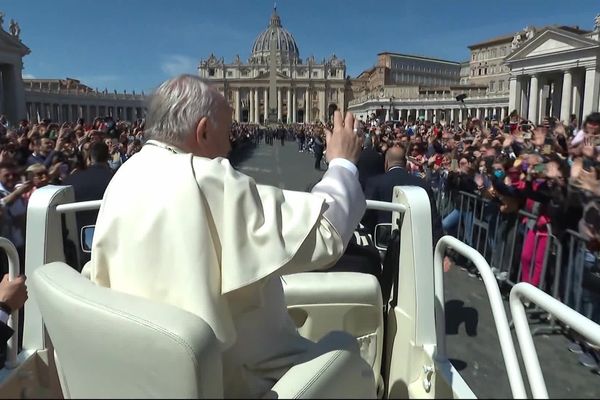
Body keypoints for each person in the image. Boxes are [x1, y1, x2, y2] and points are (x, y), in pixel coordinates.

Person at [88, 75, 373, 398]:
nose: (230, 146)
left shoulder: (125, 175)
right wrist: (342, 164)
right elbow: (327, 233)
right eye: (226, 133)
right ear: (204, 130)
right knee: (348, 355)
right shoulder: (205, 178)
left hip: (149, 375)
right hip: (233, 379)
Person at [363, 145, 443, 247]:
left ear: (386, 163)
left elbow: (366, 216)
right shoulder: (422, 185)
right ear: (405, 164)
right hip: (414, 244)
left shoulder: (374, 183)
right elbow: (433, 220)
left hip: (382, 243)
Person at [63, 142, 114, 269]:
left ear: (89, 157)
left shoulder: (72, 180)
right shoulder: (117, 179)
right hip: (110, 245)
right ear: (108, 157)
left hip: (78, 246)